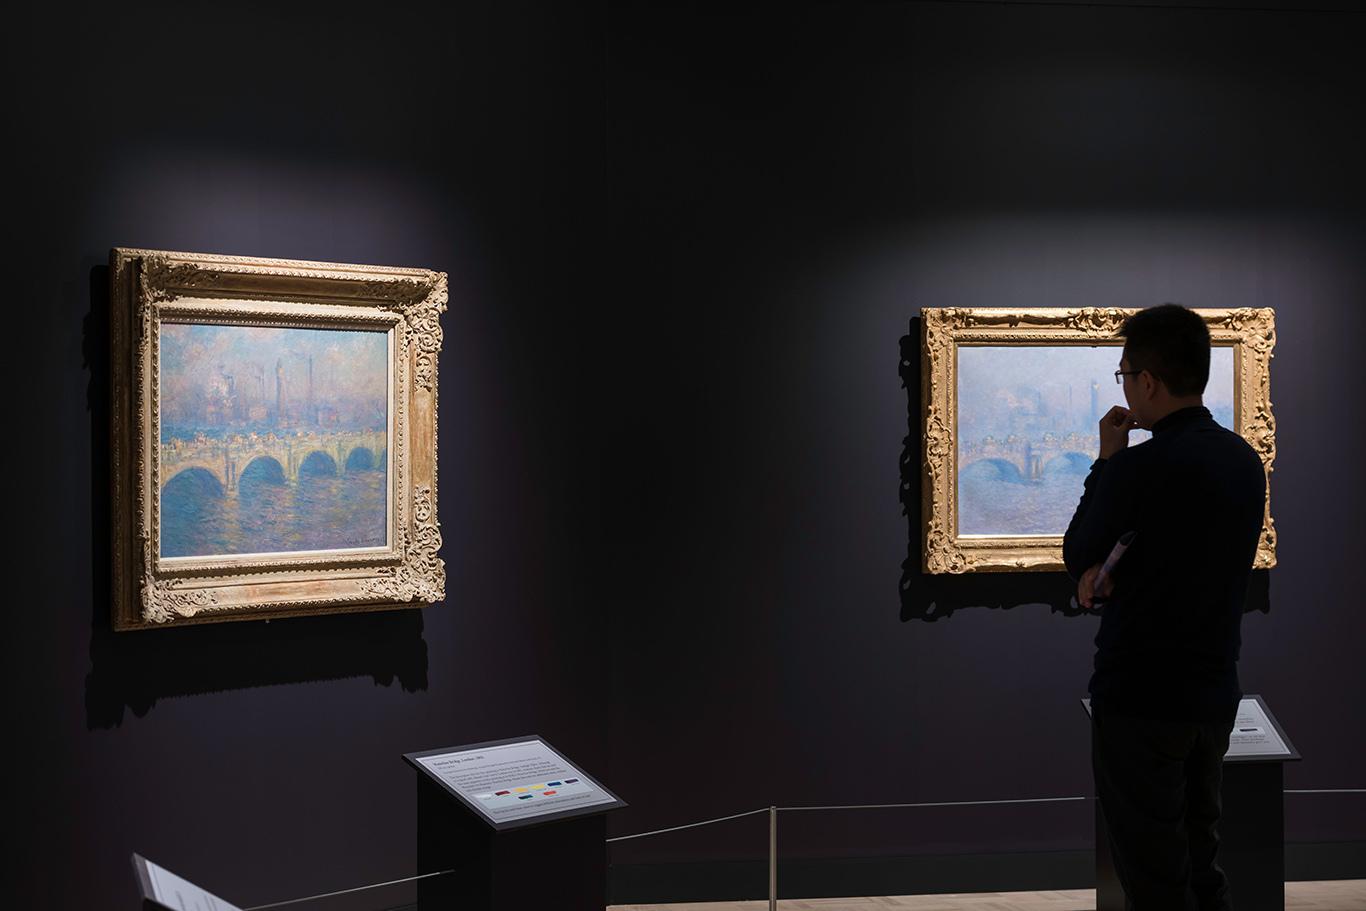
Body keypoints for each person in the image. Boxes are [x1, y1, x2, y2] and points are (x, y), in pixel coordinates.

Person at [1063, 304, 1266, 911]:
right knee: (1202, 866)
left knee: (1153, 878)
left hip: (1140, 697)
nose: (1125, 386)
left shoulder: (1137, 467)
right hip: (1213, 693)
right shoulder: (1243, 461)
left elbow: (1078, 551)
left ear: (1147, 381)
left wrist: (1107, 458)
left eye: (1125, 374)